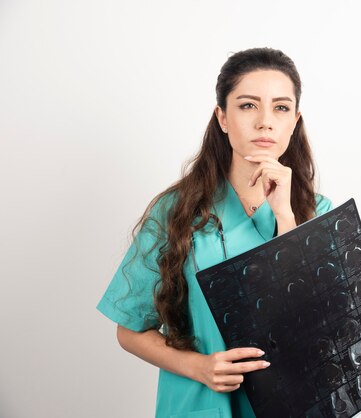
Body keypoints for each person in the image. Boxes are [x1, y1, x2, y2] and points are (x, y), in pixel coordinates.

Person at [97, 47, 333, 418]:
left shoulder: (318, 213)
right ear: (222, 117)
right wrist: (199, 367)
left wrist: (286, 218)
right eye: (248, 105)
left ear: (295, 121)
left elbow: (325, 327)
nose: (265, 122)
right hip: (200, 405)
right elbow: (129, 330)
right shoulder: (177, 210)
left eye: (281, 108)